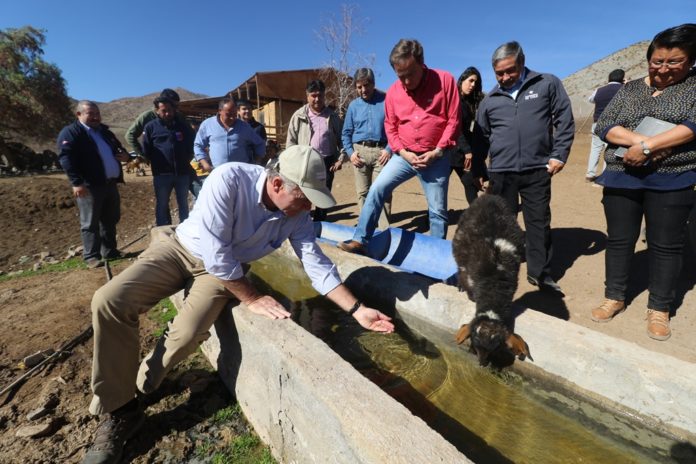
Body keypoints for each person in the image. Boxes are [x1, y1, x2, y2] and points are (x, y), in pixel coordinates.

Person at [80, 145, 395, 464]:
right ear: (277, 185)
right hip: (180, 250)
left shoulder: (296, 214)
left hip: (221, 271)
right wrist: (254, 297)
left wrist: (357, 310)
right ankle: (117, 409)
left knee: (187, 334)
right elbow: (216, 253)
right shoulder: (229, 179)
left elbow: (315, 264)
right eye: (304, 197)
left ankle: (138, 388)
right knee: (109, 300)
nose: (309, 206)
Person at [589, 24, 696, 341]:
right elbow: (607, 124)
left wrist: (649, 147)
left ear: (690, 61)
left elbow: (691, 127)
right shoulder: (630, 88)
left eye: (673, 62)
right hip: (623, 177)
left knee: (666, 246)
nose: (663, 69)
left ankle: (660, 308)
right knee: (619, 240)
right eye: (657, 61)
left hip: (672, 178)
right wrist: (639, 143)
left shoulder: (693, 88)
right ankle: (614, 296)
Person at [338, 39, 460, 254]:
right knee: (376, 189)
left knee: (438, 211)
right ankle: (361, 239)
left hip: (436, 157)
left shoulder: (445, 81)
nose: (405, 81)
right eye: (399, 76)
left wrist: (438, 151)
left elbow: (453, 120)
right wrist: (402, 151)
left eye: (409, 74)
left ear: (422, 63)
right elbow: (390, 126)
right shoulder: (394, 92)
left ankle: (436, 255)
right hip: (404, 156)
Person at [476, 41, 575, 293]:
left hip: (537, 169)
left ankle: (539, 273)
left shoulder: (546, 83)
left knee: (538, 222)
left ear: (521, 63)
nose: (506, 77)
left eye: (511, 70)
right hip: (501, 172)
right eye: (500, 73)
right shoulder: (490, 100)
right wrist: (480, 170)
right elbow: (481, 137)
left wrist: (558, 155)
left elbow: (564, 119)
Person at [57, 101, 129, 269]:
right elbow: (66, 159)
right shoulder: (71, 133)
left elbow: (119, 149)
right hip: (89, 186)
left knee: (110, 218)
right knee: (90, 222)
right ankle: (91, 256)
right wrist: (76, 183)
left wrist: (126, 156)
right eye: (91, 113)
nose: (96, 116)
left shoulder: (104, 132)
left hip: (110, 183)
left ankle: (110, 251)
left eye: (97, 113)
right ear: (79, 115)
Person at [286, 80, 345, 221]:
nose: (317, 99)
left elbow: (342, 138)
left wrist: (340, 158)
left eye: (320, 95)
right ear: (307, 96)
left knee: (323, 194)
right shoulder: (299, 116)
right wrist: (293, 162)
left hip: (327, 162)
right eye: (313, 95)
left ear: (324, 96)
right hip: (305, 162)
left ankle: (320, 223)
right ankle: (301, 223)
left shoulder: (333, 116)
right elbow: (291, 141)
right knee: (303, 193)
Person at [341, 67, 392, 229]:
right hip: (359, 153)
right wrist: (350, 153)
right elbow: (346, 133)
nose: (363, 90)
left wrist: (389, 149)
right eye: (359, 87)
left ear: (373, 84)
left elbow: (395, 127)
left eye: (366, 85)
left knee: (382, 191)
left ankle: (384, 231)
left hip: (381, 152)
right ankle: (366, 228)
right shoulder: (353, 106)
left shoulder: (386, 101)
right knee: (362, 193)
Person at [142, 96, 195, 226]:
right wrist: (156, 163)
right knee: (162, 204)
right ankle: (162, 234)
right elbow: (146, 149)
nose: (168, 113)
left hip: (182, 173)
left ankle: (185, 230)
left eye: (170, 110)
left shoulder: (182, 126)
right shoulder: (150, 127)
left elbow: (190, 146)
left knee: (183, 203)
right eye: (164, 110)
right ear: (157, 111)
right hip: (161, 175)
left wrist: (184, 160)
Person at [194, 97, 266, 172]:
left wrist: (257, 162)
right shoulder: (208, 124)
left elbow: (260, 143)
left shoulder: (244, 126)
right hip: (218, 172)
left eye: (234, 114)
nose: (232, 118)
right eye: (228, 115)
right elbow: (198, 145)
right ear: (220, 111)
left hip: (241, 172)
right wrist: (205, 164)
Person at [452, 67, 487, 206]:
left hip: (462, 152)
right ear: (462, 80)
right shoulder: (453, 99)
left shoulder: (468, 102)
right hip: (448, 151)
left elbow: (466, 130)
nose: (473, 85)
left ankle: (477, 217)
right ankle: (432, 220)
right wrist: (467, 150)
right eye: (470, 80)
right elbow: (455, 127)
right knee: (438, 188)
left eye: (475, 83)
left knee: (470, 184)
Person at [586, 69, 625, 182]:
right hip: (613, 125)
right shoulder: (623, 89)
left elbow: (591, 100)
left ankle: (590, 174)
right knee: (610, 148)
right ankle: (605, 175)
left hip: (597, 123)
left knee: (595, 149)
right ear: (622, 78)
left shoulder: (599, 90)